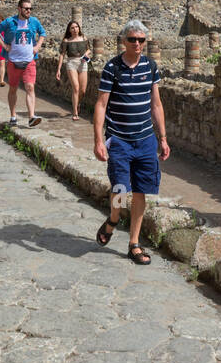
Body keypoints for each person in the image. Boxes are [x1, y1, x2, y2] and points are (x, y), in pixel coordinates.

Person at [93, 20, 168, 264]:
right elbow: (101, 104)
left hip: (145, 140)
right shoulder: (112, 67)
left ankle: (134, 244)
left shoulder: (150, 66)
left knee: (140, 192)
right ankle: (114, 218)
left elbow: (155, 104)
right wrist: (98, 140)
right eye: (133, 39)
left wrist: (163, 138)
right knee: (119, 190)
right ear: (124, 40)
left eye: (141, 40)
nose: (137, 44)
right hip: (119, 140)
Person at [0, 0, 46, 127]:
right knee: (13, 89)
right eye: (26, 8)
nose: (29, 11)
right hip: (13, 61)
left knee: (30, 87)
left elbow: (42, 33)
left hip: (29, 60)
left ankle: (31, 116)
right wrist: (4, 46)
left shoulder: (33, 21)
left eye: (30, 8)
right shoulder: (10, 22)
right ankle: (13, 116)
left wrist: (37, 47)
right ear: (19, 9)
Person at [55, 21, 91, 120]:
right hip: (71, 63)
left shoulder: (84, 38)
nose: (75, 29)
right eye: (72, 28)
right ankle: (75, 112)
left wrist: (86, 54)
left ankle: (77, 104)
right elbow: (62, 55)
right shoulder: (66, 40)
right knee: (76, 87)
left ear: (79, 28)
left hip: (83, 63)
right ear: (69, 30)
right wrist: (58, 69)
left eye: (76, 27)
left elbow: (89, 49)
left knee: (83, 90)